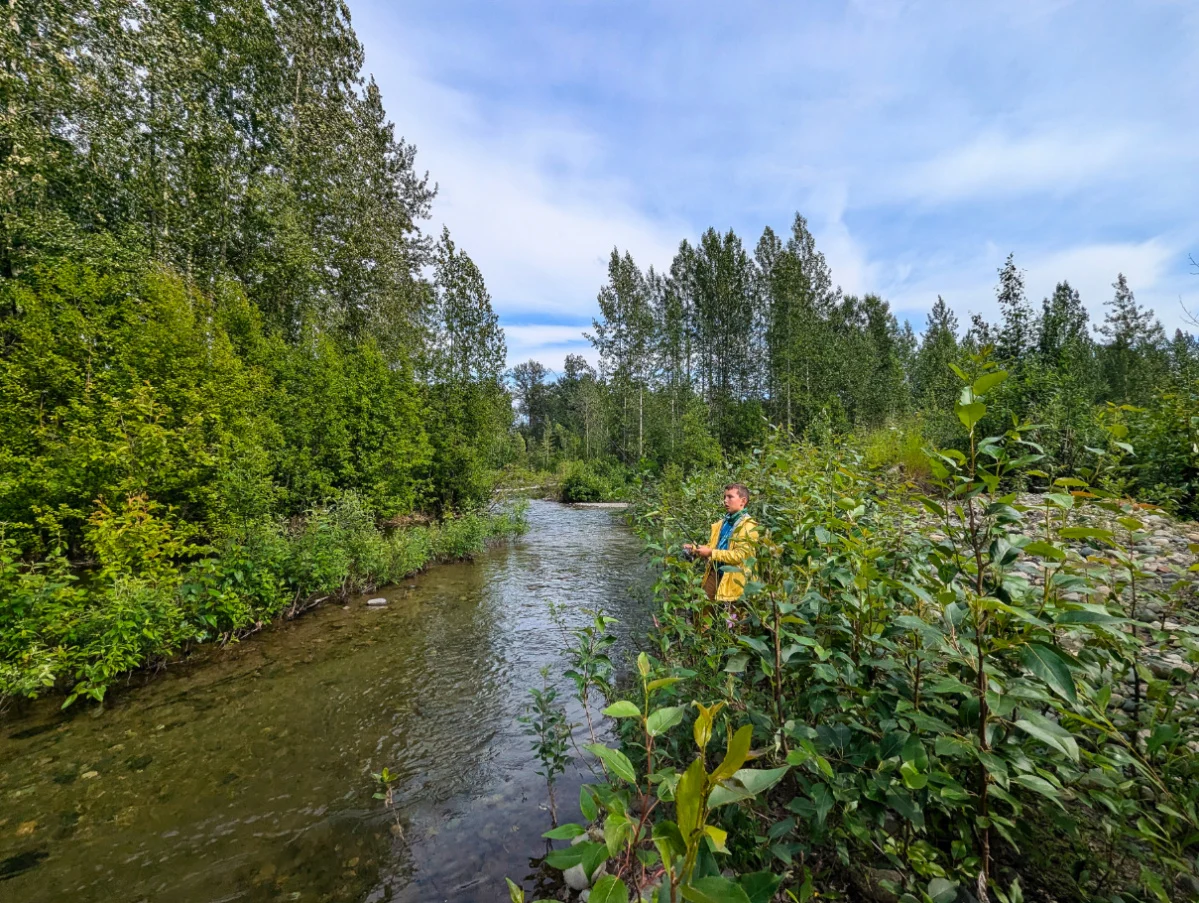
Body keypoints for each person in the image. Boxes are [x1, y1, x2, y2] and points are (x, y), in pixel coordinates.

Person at [683, 483, 758, 613]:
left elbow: (740, 556)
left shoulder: (749, 526)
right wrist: (695, 549)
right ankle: (702, 633)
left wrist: (711, 553)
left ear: (743, 501)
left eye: (730, 497)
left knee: (737, 621)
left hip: (736, 578)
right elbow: (714, 547)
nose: (725, 501)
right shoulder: (722, 523)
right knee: (702, 610)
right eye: (725, 497)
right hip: (715, 572)